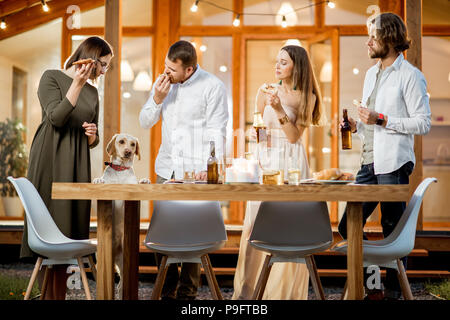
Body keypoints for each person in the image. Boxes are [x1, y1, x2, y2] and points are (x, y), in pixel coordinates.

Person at [337, 13, 431, 300]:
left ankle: (391, 292)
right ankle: (372, 282)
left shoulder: (411, 76)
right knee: (346, 225)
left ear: (389, 39)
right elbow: (372, 125)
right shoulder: (370, 74)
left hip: (393, 163)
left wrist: (382, 119)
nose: (367, 43)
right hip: (368, 163)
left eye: (373, 38)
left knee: (393, 229)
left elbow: (423, 123)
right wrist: (357, 127)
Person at [22, 36, 113, 299]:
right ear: (92, 60)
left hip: (77, 162)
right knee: (50, 227)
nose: (104, 71)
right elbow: (57, 118)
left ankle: (57, 295)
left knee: (69, 229)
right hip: (50, 157)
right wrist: (77, 82)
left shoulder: (94, 92)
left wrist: (93, 135)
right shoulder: (51, 77)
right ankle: (45, 294)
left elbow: (93, 139)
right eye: (103, 65)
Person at [232, 45, 324, 300]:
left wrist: (280, 109)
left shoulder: (308, 97)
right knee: (255, 224)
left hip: (291, 162)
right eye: (277, 61)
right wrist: (254, 135)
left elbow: (295, 137)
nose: (277, 66)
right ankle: (249, 293)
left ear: (298, 66)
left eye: (284, 62)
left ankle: (281, 293)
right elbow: (259, 127)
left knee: (287, 226)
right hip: (266, 160)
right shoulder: (265, 91)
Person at [139, 40, 228, 300]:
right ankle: (166, 289)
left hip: (195, 171)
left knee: (193, 231)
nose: (166, 73)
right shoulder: (163, 84)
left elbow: (217, 130)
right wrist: (157, 98)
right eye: (165, 66)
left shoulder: (212, 86)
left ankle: (187, 294)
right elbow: (145, 121)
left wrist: (208, 167)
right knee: (162, 228)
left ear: (188, 70)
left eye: (172, 69)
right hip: (166, 168)